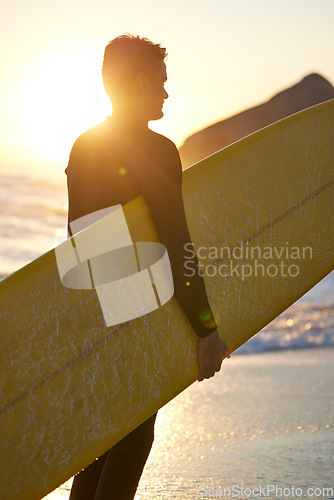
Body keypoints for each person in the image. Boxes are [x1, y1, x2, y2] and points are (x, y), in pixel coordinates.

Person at [65, 34, 231, 500]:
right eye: (159, 82)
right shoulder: (156, 150)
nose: (165, 92)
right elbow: (176, 243)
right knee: (134, 436)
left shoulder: (83, 146)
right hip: (142, 311)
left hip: (97, 309)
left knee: (103, 441)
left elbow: (80, 238)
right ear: (139, 82)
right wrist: (206, 330)